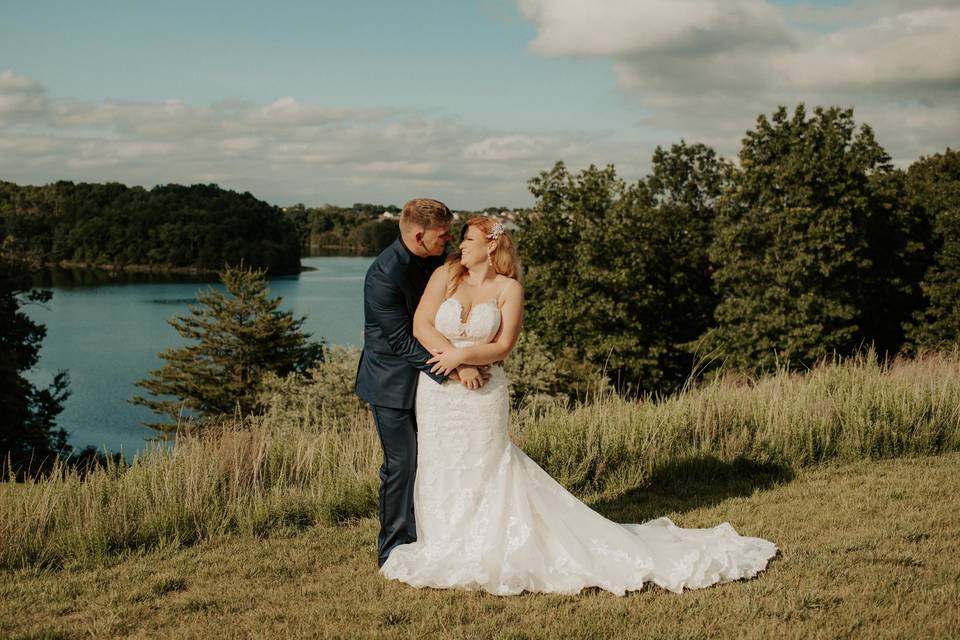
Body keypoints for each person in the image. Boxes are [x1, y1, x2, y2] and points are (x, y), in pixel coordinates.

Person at [379, 216, 778, 596]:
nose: (459, 245)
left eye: (467, 238)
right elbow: (421, 326)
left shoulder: (509, 288)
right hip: (440, 390)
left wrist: (469, 362)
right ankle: (446, 545)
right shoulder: (445, 275)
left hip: (484, 392)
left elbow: (503, 346)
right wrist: (456, 361)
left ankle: (491, 547)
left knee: (485, 464)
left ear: (491, 244)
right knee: (441, 464)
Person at [355, 198, 491, 569]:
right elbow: (401, 341)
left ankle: (439, 534)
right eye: (443, 236)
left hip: (432, 383)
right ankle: (394, 548)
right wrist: (454, 367)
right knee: (403, 463)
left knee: (438, 458)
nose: (448, 242)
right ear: (419, 235)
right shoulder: (383, 274)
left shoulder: (439, 259)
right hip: (392, 383)